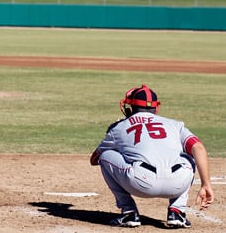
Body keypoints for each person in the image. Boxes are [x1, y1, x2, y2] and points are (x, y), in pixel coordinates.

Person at [90, 84, 214, 228]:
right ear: (156, 107)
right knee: (190, 156)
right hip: (177, 184)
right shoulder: (175, 124)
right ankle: (177, 211)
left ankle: (129, 212)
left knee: (105, 155)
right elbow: (198, 147)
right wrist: (206, 184)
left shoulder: (119, 127)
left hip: (139, 183)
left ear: (130, 107)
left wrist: (123, 147)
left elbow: (95, 159)